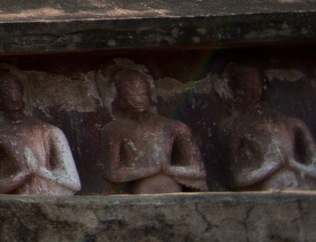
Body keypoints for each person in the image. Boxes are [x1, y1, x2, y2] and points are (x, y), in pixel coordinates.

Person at [101, 67, 205, 194]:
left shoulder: (175, 127)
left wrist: (168, 169)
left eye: (143, 94)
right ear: (120, 99)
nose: (139, 99)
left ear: (150, 94)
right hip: (140, 191)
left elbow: (198, 170)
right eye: (131, 95)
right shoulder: (114, 131)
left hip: (171, 188)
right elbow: (112, 173)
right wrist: (150, 170)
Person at [0, 70, 79, 196]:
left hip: (53, 195)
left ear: (23, 94)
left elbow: (75, 183)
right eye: (5, 93)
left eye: (16, 90)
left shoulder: (50, 131)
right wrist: (25, 173)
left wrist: (41, 172)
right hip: (19, 198)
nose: (13, 96)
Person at [222, 63, 316, 191]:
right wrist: (270, 166)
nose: (252, 89)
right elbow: (235, 179)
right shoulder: (233, 126)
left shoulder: (291, 124)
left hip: (299, 185)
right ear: (235, 89)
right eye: (245, 84)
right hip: (268, 188)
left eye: (256, 83)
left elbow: (313, 167)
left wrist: (293, 164)